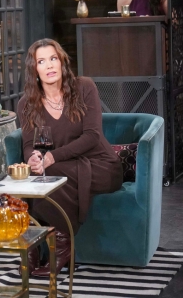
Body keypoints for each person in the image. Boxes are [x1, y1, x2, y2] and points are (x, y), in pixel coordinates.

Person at [17, 39, 123, 276]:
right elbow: (29, 144)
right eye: (41, 61)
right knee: (32, 178)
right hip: (63, 165)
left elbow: (92, 136)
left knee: (51, 174)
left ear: (62, 61)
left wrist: (52, 157)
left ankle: (62, 247)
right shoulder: (26, 104)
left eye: (53, 58)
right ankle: (30, 247)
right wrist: (33, 158)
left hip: (101, 165)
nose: (49, 65)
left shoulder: (84, 87)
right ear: (34, 69)